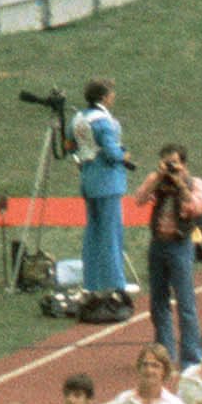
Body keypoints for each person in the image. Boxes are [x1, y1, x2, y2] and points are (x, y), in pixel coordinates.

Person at [140, 144, 202, 366]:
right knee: (158, 304)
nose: (170, 167)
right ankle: (165, 356)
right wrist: (157, 178)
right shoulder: (158, 181)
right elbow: (139, 199)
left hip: (180, 246)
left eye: (174, 162)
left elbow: (196, 208)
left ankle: (192, 358)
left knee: (186, 304)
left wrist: (180, 185)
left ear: (184, 164)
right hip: (158, 245)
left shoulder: (194, 183)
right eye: (166, 162)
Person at [71, 77, 131, 299]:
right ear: (104, 97)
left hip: (88, 178)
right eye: (110, 93)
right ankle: (116, 283)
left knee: (93, 233)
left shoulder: (78, 118)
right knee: (112, 234)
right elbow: (112, 152)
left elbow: (70, 145)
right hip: (107, 181)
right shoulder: (103, 122)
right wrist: (123, 155)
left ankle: (92, 282)